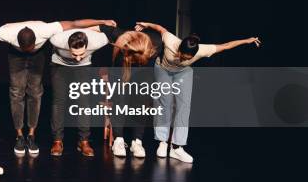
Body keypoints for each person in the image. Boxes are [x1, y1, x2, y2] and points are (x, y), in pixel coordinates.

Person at [0, 17, 116, 156]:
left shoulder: (45, 30)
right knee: (16, 93)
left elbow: (74, 23)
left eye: (29, 47)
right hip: (15, 56)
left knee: (35, 93)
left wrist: (102, 22)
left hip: (37, 56)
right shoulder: (8, 33)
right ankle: (19, 136)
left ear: (34, 42)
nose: (27, 49)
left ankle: (31, 135)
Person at [135, 22, 261, 163]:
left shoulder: (202, 50)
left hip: (183, 73)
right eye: (181, 56)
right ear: (179, 48)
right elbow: (160, 28)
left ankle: (177, 147)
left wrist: (246, 41)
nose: (182, 59)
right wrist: (145, 24)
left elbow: (225, 46)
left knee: (184, 107)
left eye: (187, 59)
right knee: (164, 103)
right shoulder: (171, 40)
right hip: (163, 69)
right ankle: (162, 143)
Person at [97, 23, 160, 159]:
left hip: (143, 74)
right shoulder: (121, 37)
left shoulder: (156, 42)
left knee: (142, 103)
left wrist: (149, 25)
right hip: (121, 71)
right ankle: (119, 139)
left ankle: (137, 141)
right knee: (119, 100)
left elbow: (164, 32)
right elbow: (98, 27)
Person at [49, 28, 110, 157]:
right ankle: (57, 140)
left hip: (84, 67)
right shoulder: (57, 39)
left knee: (84, 102)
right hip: (59, 65)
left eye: (81, 54)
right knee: (58, 102)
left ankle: (84, 141)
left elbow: (112, 32)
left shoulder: (98, 40)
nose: (77, 58)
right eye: (74, 54)